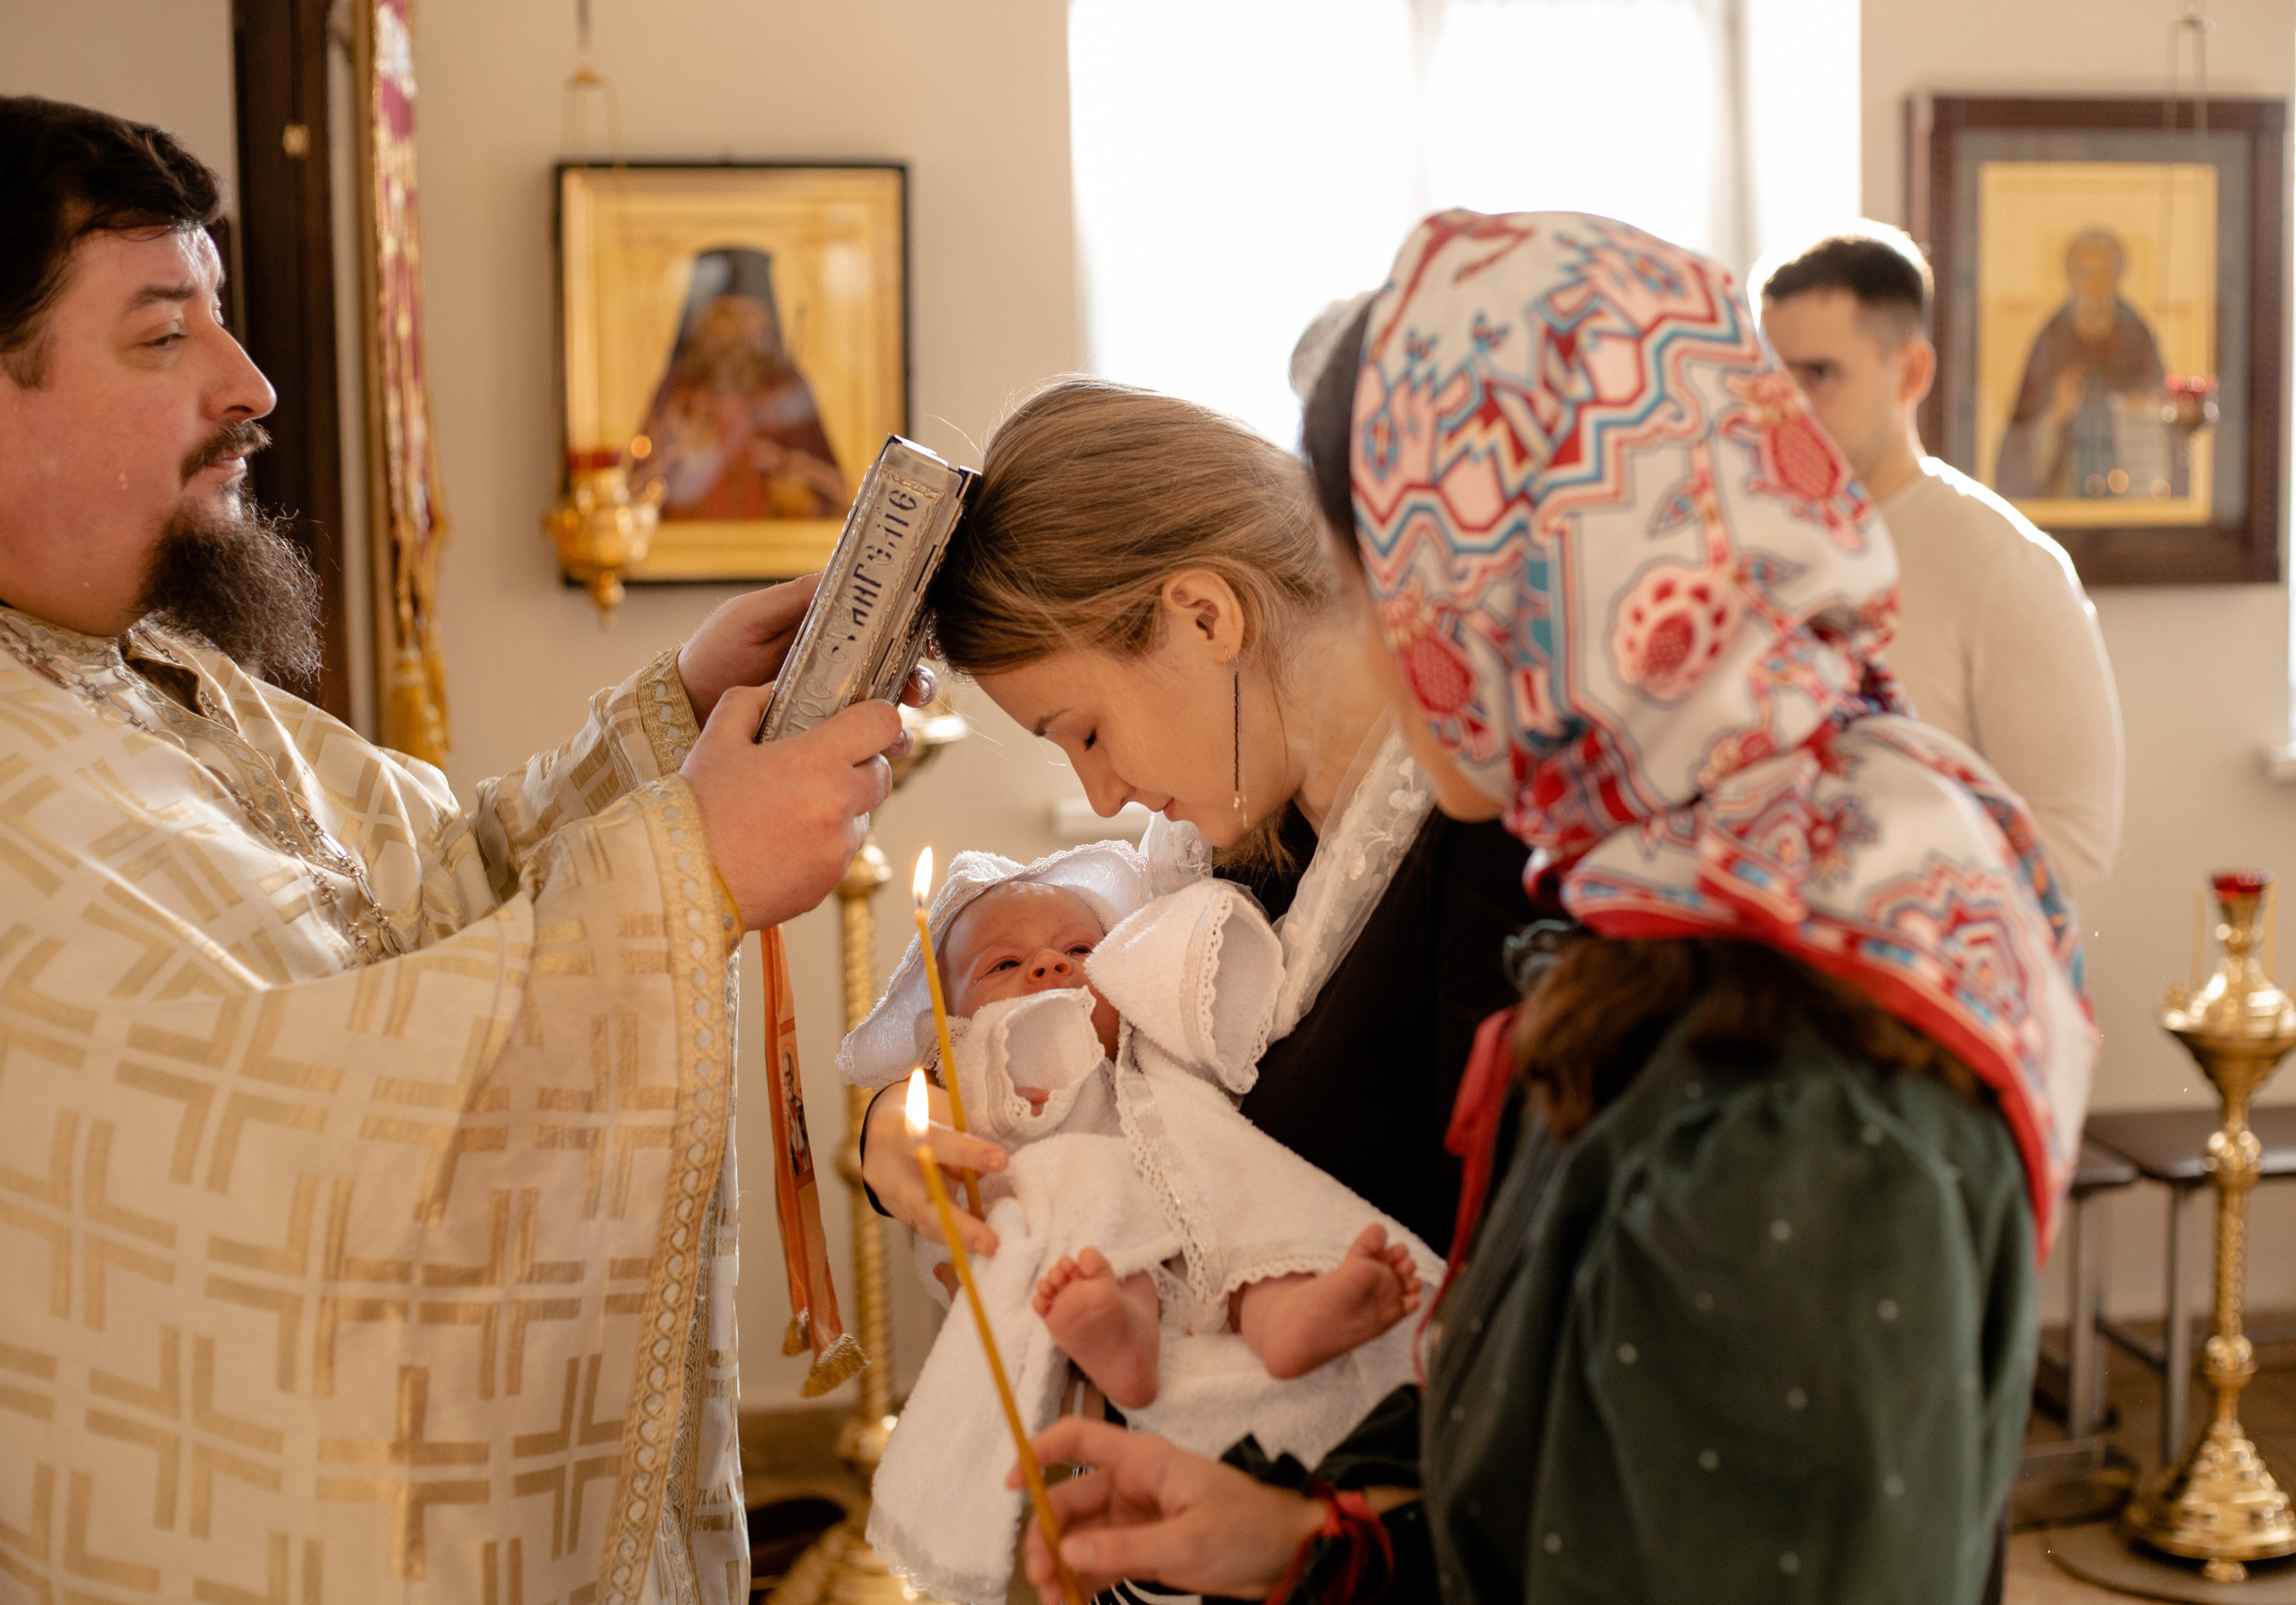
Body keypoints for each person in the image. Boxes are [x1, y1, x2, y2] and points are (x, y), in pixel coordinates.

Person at [1006, 210, 2097, 1605]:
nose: (1383, 657)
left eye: (1378, 580)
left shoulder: (1796, 1087)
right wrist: (1306, 1540)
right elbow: (1583, 1460)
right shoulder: (1721, 888)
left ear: (1523, 577)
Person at [0, 96, 920, 1603]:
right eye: (163, 336)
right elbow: (292, 1163)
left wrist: (675, 714)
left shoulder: (161, 668)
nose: (250, 384)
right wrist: (689, 873)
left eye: (221, 323)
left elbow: (439, 892)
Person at [857, 376, 1544, 1282]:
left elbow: (1519, 1274)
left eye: (1088, 732)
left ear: (1205, 615)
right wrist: (904, 1120)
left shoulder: (1496, 839)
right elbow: (1082, 1033)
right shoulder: (1226, 842)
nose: (1103, 798)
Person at [841, 843, 1436, 1605]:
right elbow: (921, 1114)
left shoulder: (1145, 1044)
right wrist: (906, 1102)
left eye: (1079, 950)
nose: (1050, 969)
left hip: (1197, 1204)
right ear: (948, 1026)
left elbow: (1190, 973)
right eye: (1004, 964)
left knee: (1258, 1220)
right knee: (1081, 1218)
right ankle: (1117, 1332)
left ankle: (1289, 1312)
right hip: (1086, 1237)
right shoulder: (975, 1065)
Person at [1758, 227, 2124, 896]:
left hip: (1920, 973)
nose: (1789, 408)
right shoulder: (1744, 546)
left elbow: (2072, 839)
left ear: (1912, 373)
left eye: (1818, 374)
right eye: (1772, 379)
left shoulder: (2003, 565)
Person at [628, 244, 849, 520]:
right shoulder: (679, 390)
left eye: (750, 317)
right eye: (727, 317)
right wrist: (677, 458)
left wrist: (786, 462)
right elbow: (636, 488)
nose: (739, 330)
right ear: (704, 323)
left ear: (767, 322)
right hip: (690, 547)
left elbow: (840, 493)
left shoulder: (786, 389)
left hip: (777, 549)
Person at [1991, 227, 2178, 503]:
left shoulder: (2135, 333)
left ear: (2117, 277)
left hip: (2130, 486)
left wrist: (2142, 409)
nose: (2094, 286)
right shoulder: (2052, 336)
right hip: (2065, 487)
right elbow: (2020, 434)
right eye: (2085, 273)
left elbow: (2165, 413)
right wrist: (2055, 414)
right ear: (2071, 278)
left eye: (2103, 273)